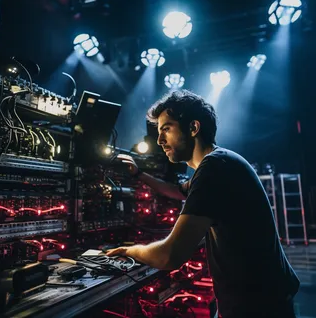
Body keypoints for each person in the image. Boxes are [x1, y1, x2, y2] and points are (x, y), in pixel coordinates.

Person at [107, 90, 299, 318]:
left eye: (166, 129)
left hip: (258, 307)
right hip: (258, 300)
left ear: (193, 128)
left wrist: (130, 250)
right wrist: (139, 174)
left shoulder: (214, 169)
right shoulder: (220, 163)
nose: (159, 141)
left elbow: (170, 255)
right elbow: (177, 192)